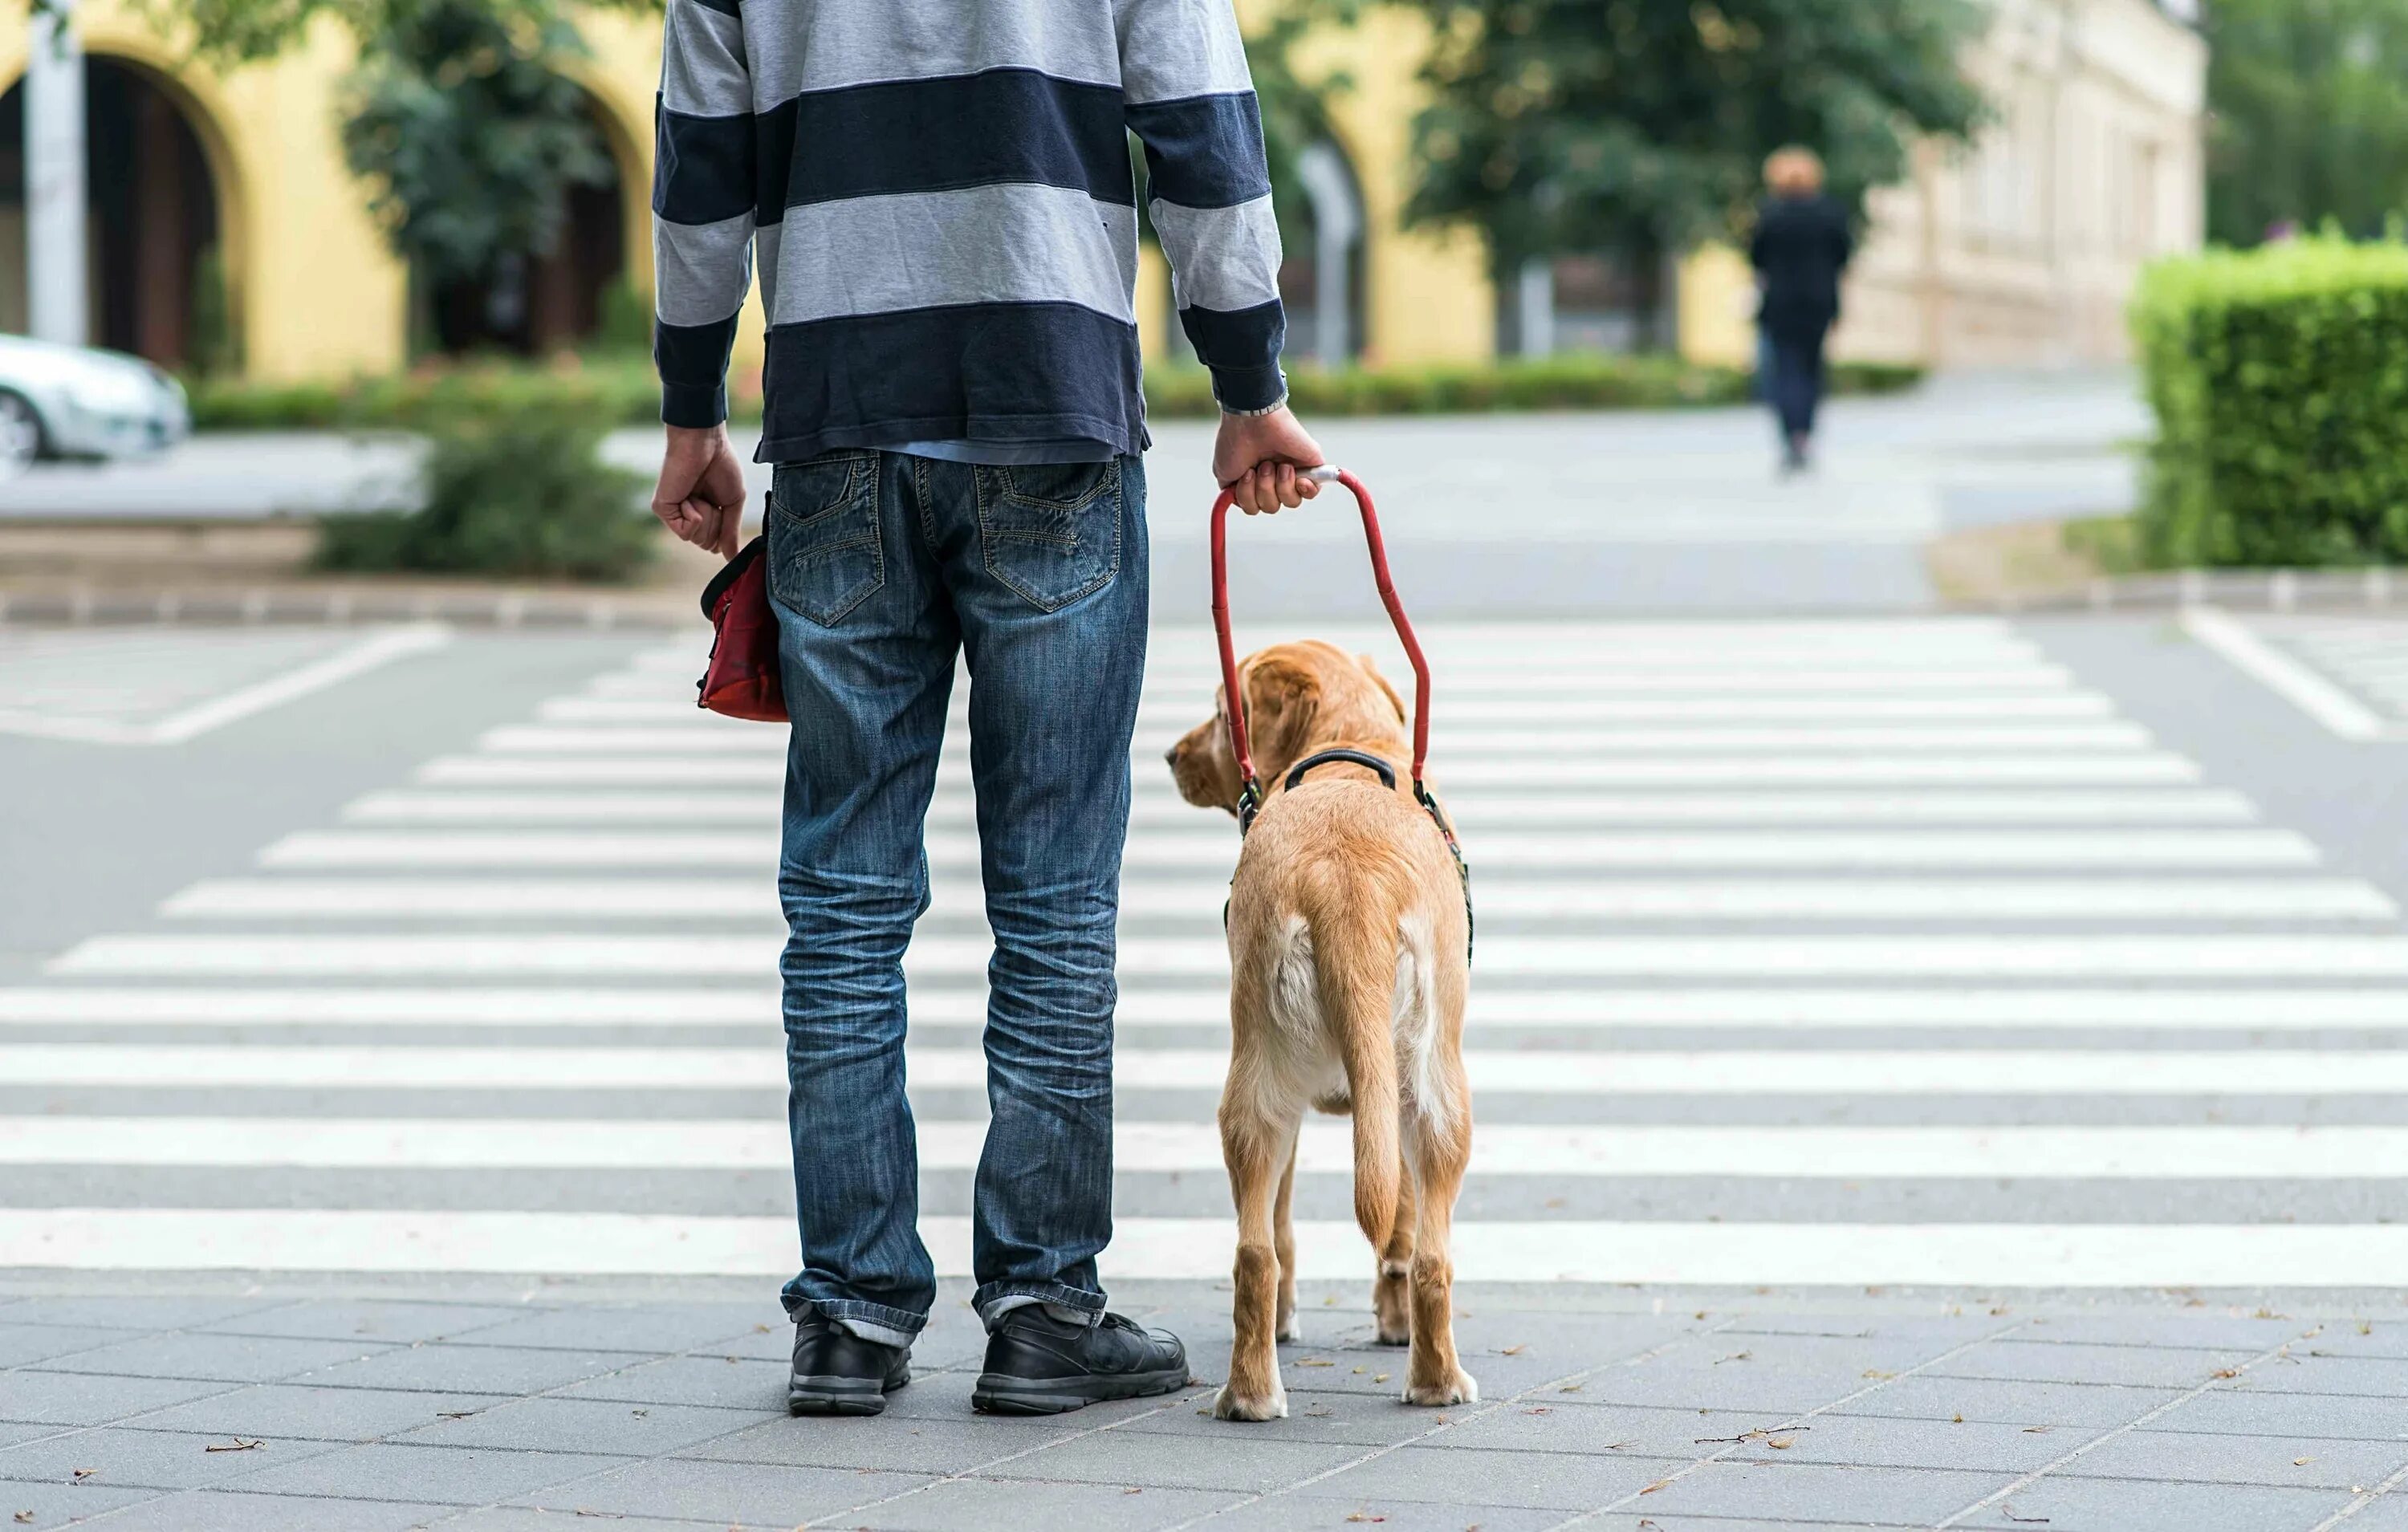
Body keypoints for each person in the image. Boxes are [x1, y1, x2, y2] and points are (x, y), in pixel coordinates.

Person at [645, 0, 1324, 1417]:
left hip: (837, 424)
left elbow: (702, 163)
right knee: (1058, 892)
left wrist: (691, 406)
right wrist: (1251, 383)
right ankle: (1041, 1305)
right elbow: (1202, 134)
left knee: (840, 896)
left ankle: (847, 1312)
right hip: (1051, 410)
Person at [1748, 147, 1853, 474]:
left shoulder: (1770, 214)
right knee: (1812, 369)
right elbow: (1844, 256)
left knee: (1785, 371)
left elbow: (1756, 258)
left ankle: (1791, 436)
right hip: (1819, 302)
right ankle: (1805, 433)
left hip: (1780, 304)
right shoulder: (1830, 213)